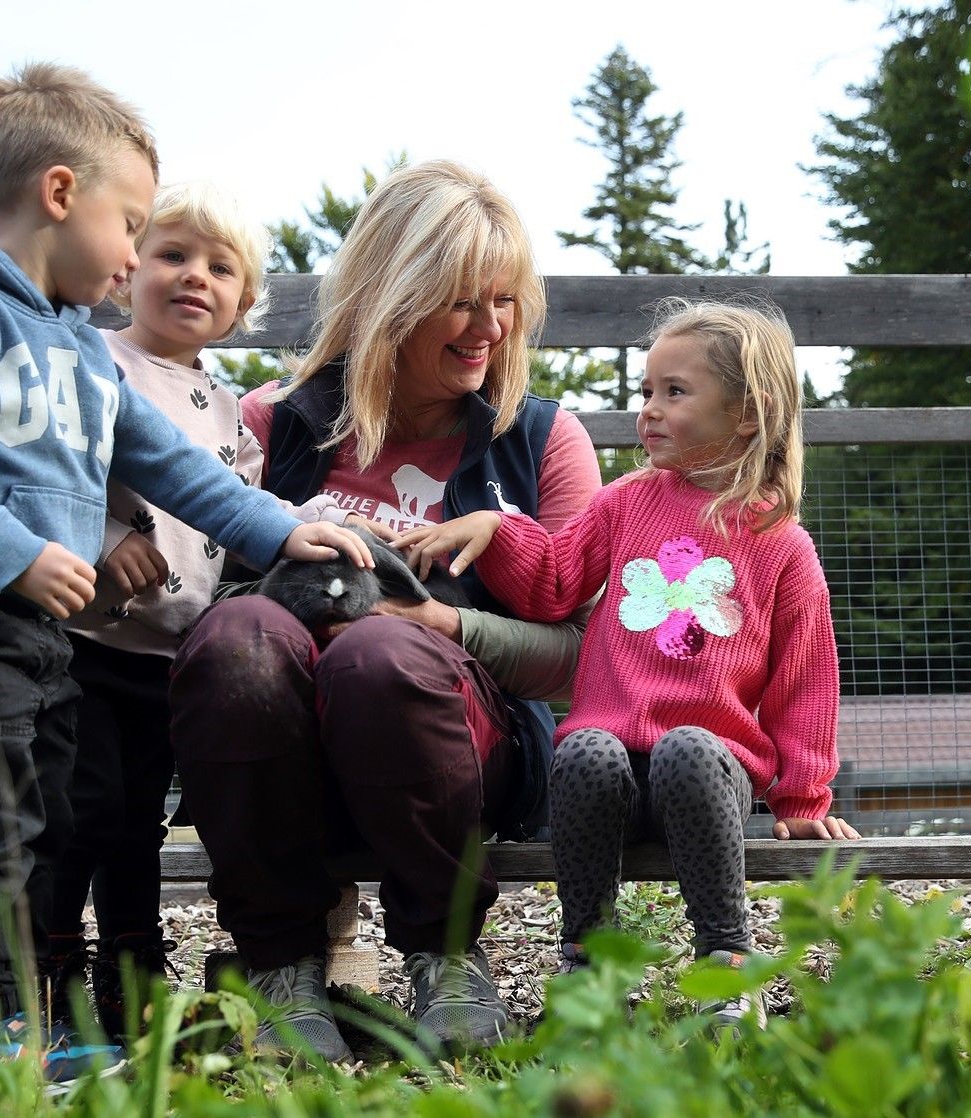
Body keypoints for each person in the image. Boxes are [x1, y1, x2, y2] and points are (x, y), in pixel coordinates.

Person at [0, 63, 370, 1088]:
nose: (134, 253)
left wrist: (277, 531)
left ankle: (23, 1030)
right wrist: (10, 549)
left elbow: (171, 462)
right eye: (131, 222)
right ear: (58, 195)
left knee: (42, 826)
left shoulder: (79, 350)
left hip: (29, 633)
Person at [168, 160, 603, 1060]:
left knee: (381, 660)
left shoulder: (541, 440)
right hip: (282, 744)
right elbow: (192, 594)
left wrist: (452, 628)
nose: (489, 328)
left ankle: (445, 953)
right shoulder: (268, 422)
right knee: (241, 642)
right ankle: (280, 965)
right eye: (459, 301)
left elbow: (582, 652)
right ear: (388, 297)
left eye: (505, 300)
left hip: (456, 746)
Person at [399, 297, 859, 1032]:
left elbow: (805, 679)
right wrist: (498, 524)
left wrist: (804, 799)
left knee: (688, 747)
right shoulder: (626, 503)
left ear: (748, 413)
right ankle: (589, 966)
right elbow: (553, 583)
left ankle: (725, 967)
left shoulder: (781, 543)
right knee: (579, 747)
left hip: (708, 770)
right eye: (646, 391)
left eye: (674, 392)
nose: (647, 409)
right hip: (607, 766)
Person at [42, 181, 303, 1037]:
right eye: (173, 255)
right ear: (127, 273)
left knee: (139, 816)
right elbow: (52, 470)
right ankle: (49, 960)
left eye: (220, 269)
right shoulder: (92, 361)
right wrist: (105, 534)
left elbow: (239, 515)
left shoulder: (232, 412)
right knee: (80, 805)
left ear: (242, 306)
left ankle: (132, 963)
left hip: (168, 654)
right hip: (83, 633)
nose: (195, 277)